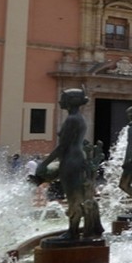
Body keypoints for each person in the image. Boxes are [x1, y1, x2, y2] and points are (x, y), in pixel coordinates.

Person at [33, 88, 104, 241]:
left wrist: (44, 163)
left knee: (74, 197)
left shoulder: (72, 119)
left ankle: (72, 232)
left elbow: (63, 146)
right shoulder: (78, 118)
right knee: (78, 195)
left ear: (71, 101)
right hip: (74, 159)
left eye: (63, 98)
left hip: (71, 160)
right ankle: (87, 227)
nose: (60, 101)